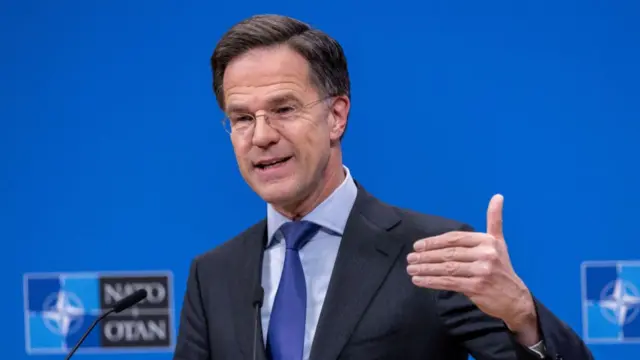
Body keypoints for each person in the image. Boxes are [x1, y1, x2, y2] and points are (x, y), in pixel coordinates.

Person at [173, 14, 593, 360]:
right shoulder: (212, 275)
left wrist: (521, 314)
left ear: (336, 116)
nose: (261, 135)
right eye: (243, 118)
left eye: (284, 109)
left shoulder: (432, 254)